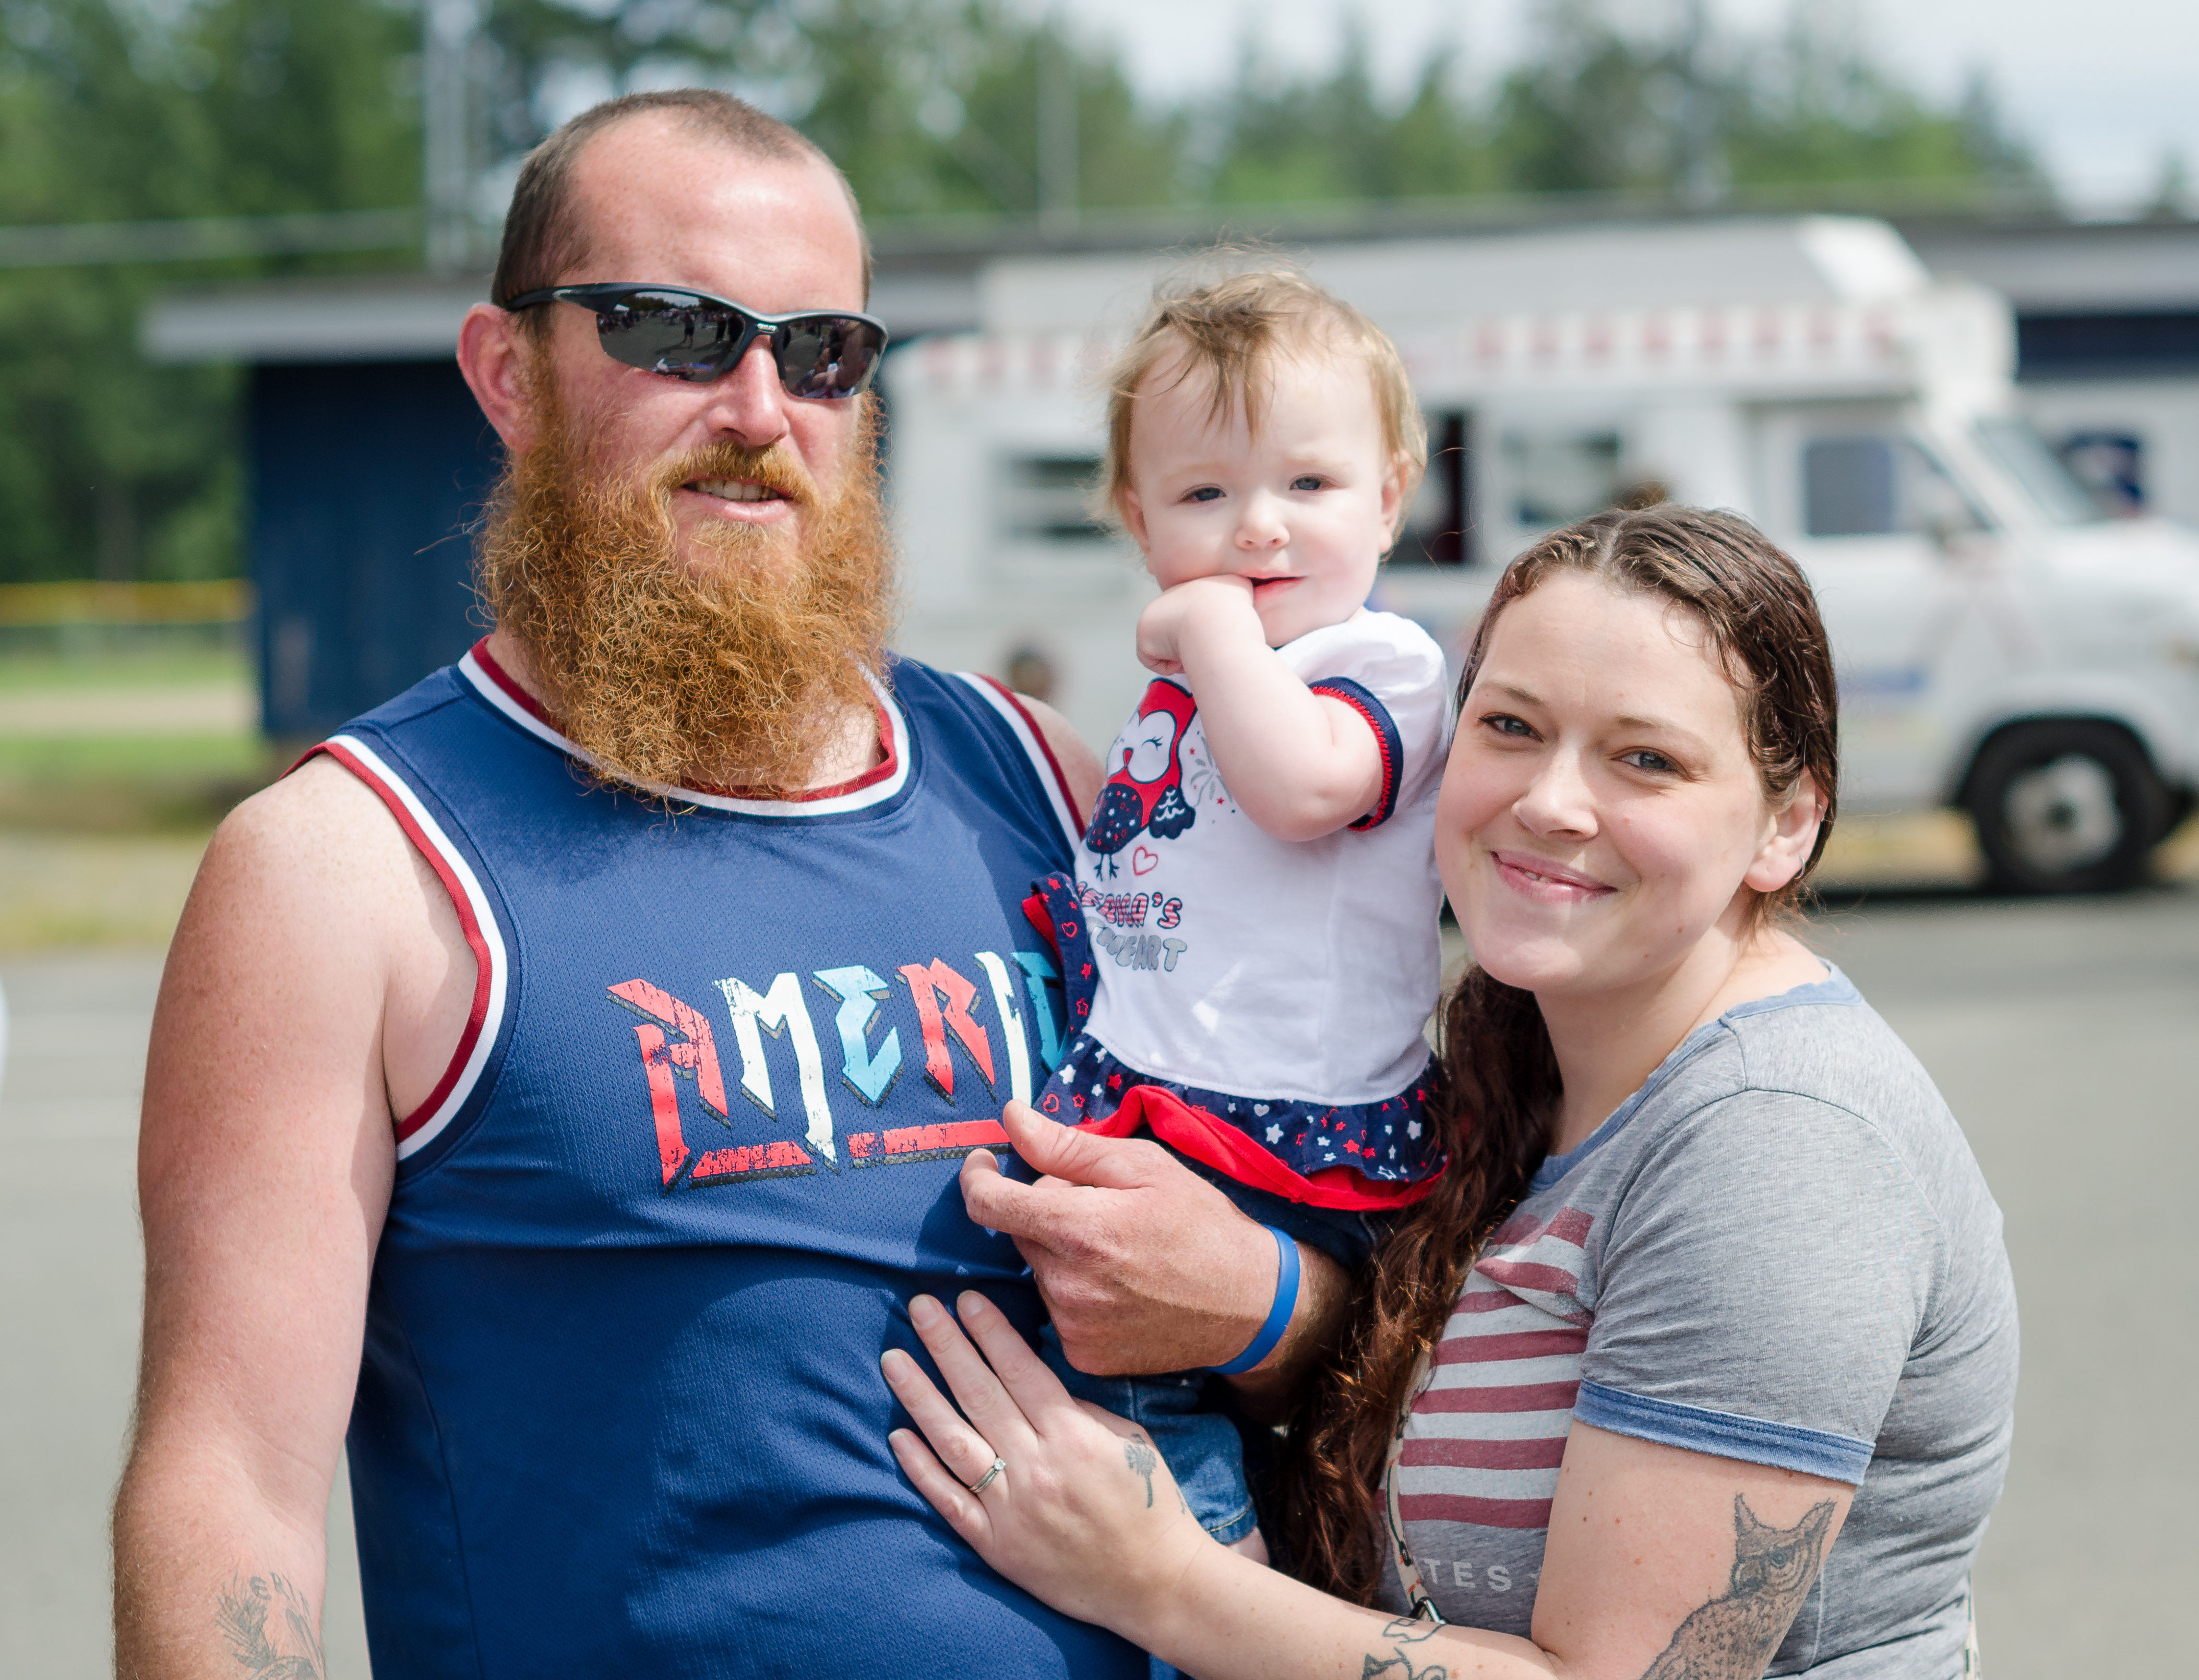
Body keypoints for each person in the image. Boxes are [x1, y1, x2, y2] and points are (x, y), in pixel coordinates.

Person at [111, 89, 1355, 1679]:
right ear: (510, 374)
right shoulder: (348, 867)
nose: (763, 406)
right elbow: (229, 1492)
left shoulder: (1053, 787)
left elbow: (1353, 1291)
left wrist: (1259, 1302)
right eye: (678, 332)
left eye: (824, 350)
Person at [891, 506, 2019, 1679]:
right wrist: (1267, 1303)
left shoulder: (1779, 1148)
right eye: (1513, 728)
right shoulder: (1520, 1057)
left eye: (1646, 759)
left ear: (1785, 825)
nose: (1549, 802)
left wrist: (1154, 1578)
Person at [1025, 270, 1449, 1559]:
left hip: (1285, 1113)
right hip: (1181, 1086)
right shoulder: (1227, 672)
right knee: (1099, 1349)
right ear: (1136, 518)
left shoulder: (1381, 664)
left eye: (1307, 487)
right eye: (1206, 496)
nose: (1259, 529)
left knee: (1133, 1387)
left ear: (1388, 493)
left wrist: (1206, 626)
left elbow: (1304, 788)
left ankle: (1218, 1583)